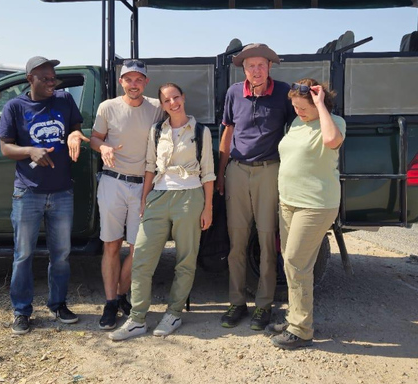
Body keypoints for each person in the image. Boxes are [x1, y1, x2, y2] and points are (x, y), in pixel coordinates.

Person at [109, 83, 215, 340]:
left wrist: (208, 207)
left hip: (190, 197)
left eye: (175, 97)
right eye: (166, 100)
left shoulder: (200, 131)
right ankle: (137, 319)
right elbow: (149, 167)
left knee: (185, 259)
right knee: (142, 257)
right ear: (162, 105)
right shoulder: (157, 130)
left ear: (183, 98)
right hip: (159, 195)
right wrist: (145, 199)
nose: (172, 103)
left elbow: (208, 172)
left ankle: (174, 313)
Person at [0, 56, 90, 335]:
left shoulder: (64, 100)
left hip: (62, 191)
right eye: (46, 79)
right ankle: (21, 311)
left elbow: (75, 126)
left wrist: (75, 135)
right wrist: (30, 151)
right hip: (28, 192)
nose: (52, 83)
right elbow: (5, 148)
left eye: (54, 78)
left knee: (61, 254)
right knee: (23, 254)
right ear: (30, 79)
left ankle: (58, 304)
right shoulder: (14, 107)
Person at [217, 43, 296, 330]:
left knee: (266, 241)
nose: (256, 71)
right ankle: (236, 302)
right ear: (244, 69)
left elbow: (298, 128)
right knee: (236, 242)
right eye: (251, 66)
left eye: (261, 65)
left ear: (270, 67)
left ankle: (264, 306)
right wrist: (222, 172)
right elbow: (228, 131)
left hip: (269, 171)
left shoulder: (283, 93)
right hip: (237, 171)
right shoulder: (234, 93)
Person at [271, 79, 345, 350]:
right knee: (293, 263)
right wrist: (305, 111)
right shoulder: (297, 124)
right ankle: (295, 317)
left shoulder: (334, 122)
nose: (298, 111)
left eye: (303, 106)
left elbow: (331, 140)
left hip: (315, 204)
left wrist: (320, 105)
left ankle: (301, 330)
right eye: (294, 106)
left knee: (295, 262)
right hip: (289, 202)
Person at [90, 60, 163, 330]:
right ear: (121, 82)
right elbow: (95, 138)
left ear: (146, 82)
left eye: (138, 79)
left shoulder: (156, 107)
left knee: (137, 247)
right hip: (113, 182)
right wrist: (103, 148)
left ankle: (122, 295)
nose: (133, 84)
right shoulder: (107, 107)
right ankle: (111, 302)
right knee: (111, 244)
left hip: (143, 186)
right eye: (128, 79)